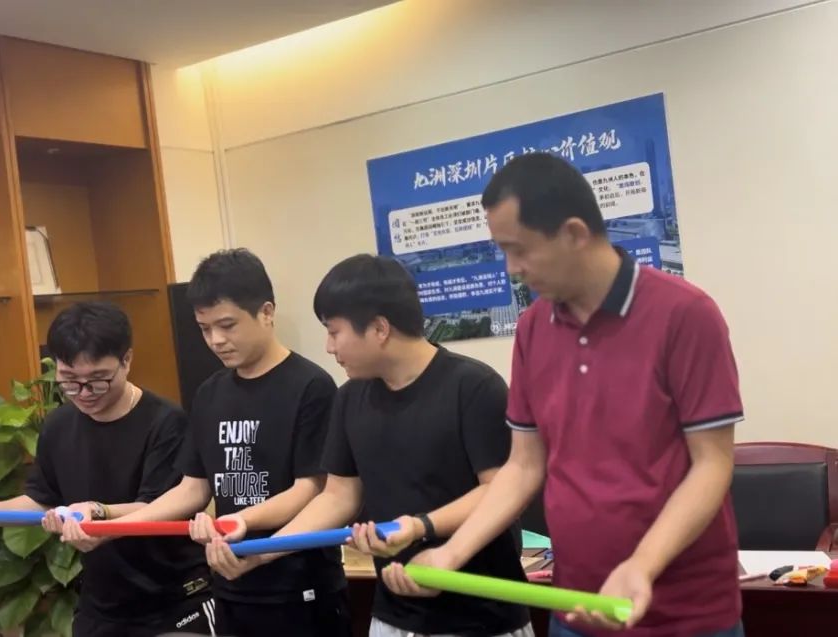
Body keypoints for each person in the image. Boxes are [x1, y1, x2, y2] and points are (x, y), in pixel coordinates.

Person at [385, 153, 745, 637]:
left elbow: (712, 465)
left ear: (574, 233)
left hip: (685, 614)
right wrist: (451, 553)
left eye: (519, 250)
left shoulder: (685, 314)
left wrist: (641, 564)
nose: (512, 269)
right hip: (572, 603)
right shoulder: (533, 328)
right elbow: (523, 466)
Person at [204, 254, 535, 637]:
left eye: (334, 332)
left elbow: (500, 489)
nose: (329, 347)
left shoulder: (473, 387)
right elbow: (337, 497)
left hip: (483, 618)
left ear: (379, 328)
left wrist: (420, 527)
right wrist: (264, 552)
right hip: (392, 616)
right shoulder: (350, 398)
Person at [0, 301, 215, 637]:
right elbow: (42, 499)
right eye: (70, 381)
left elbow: (154, 508)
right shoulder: (58, 425)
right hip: (101, 604)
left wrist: (98, 515)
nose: (84, 393)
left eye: (98, 380)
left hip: (174, 600)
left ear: (127, 360)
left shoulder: (166, 422)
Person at [115, 248, 350, 637]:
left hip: (298, 589)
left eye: (227, 325)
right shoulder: (209, 393)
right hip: (230, 585)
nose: (216, 340)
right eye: (205, 328)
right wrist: (116, 527)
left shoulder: (311, 386)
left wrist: (239, 523)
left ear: (266, 312)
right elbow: (192, 489)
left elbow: (311, 488)